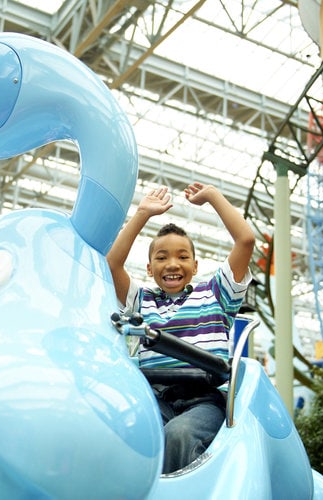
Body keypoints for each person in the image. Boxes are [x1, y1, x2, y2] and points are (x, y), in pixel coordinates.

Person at [106, 182, 255, 474]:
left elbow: (246, 240)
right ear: (149, 268)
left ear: (195, 265)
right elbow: (112, 264)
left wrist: (213, 195)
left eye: (182, 257)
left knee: (179, 435)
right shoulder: (142, 300)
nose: (172, 264)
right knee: (121, 430)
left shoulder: (216, 293)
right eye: (161, 257)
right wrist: (143, 214)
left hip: (204, 400)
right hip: (156, 398)